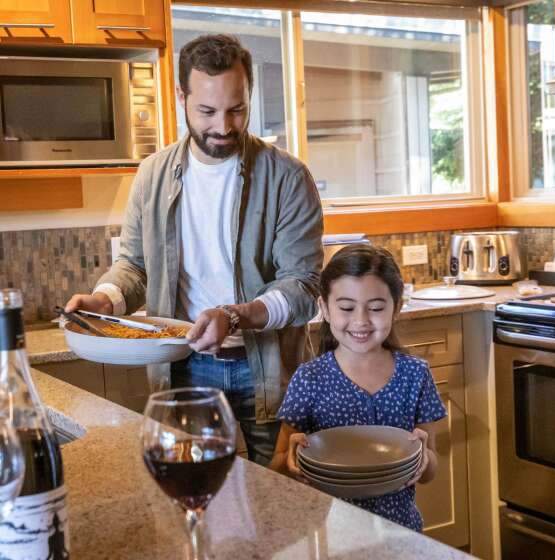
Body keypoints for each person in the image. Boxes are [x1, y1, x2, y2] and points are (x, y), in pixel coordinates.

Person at [65, 34, 324, 466]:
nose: (223, 127)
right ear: (180, 97)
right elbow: (135, 266)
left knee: (286, 500)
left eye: (236, 110)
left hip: (268, 368)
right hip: (182, 367)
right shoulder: (153, 175)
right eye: (207, 111)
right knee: (193, 499)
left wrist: (234, 316)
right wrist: (104, 299)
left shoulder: (288, 178)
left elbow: (302, 286)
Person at [270, 244, 447, 532]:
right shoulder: (309, 378)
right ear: (325, 309)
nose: (361, 320)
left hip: (400, 531)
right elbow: (277, 466)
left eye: (376, 308)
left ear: (396, 308)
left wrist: (424, 459)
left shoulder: (416, 374)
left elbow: (430, 471)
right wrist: (291, 462)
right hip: (330, 533)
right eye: (347, 308)